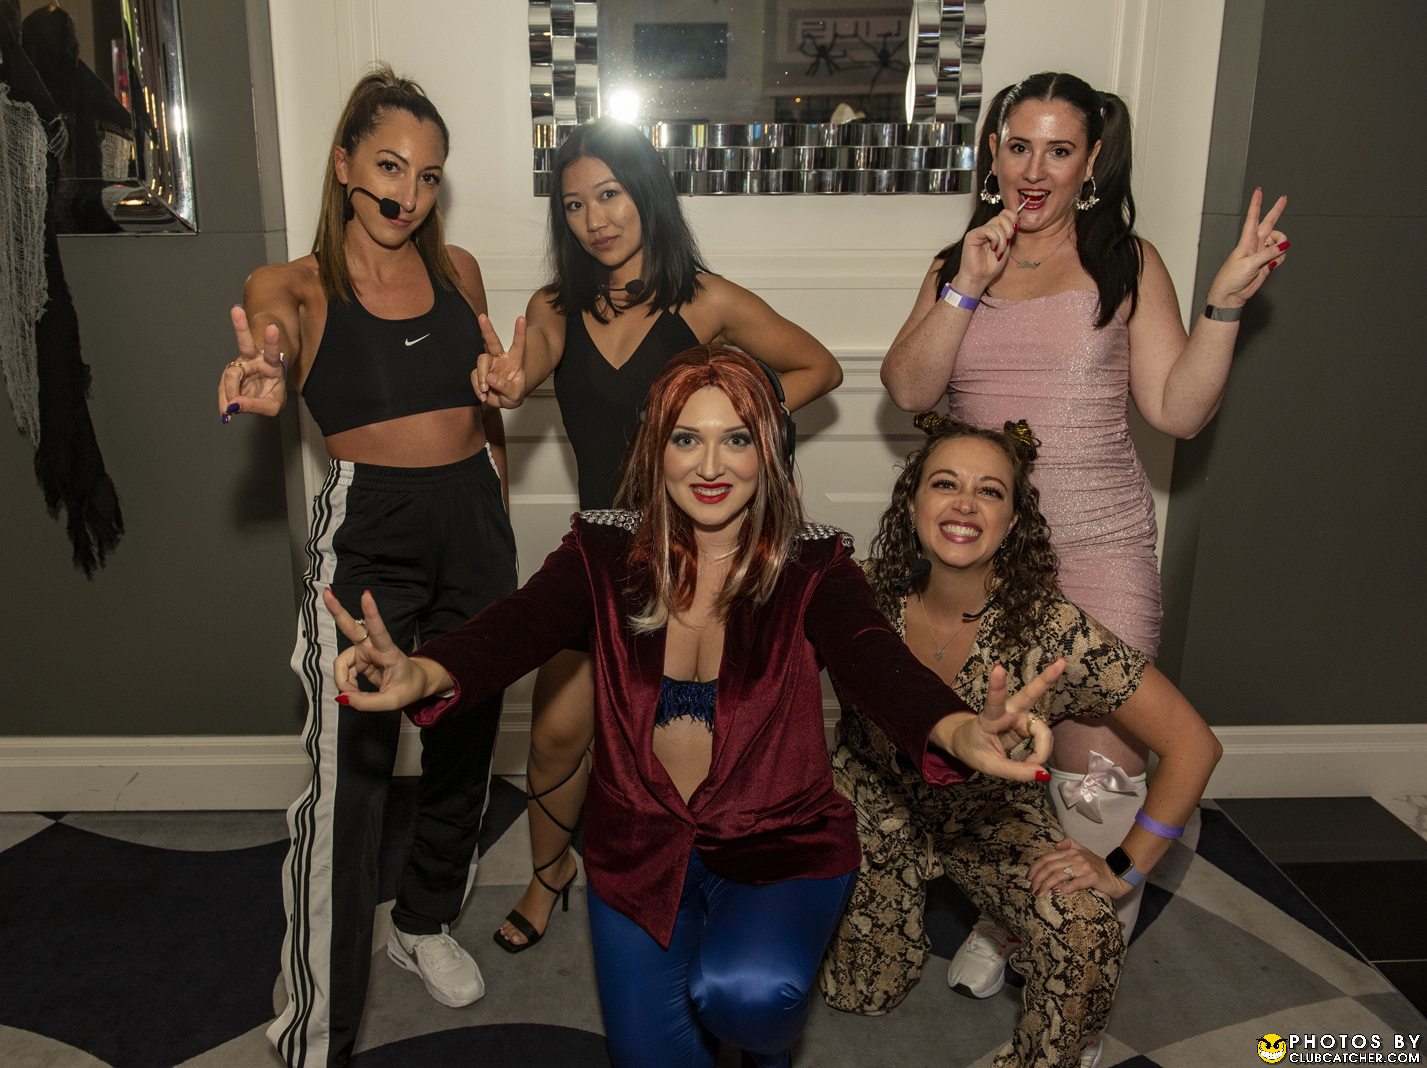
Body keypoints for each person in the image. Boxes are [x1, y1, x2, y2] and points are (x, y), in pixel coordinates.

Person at [326, 347, 1062, 1068]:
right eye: (687, 439)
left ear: (768, 450)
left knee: (747, 996)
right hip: (637, 849)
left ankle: (767, 1053)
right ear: (657, 449)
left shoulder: (814, 565)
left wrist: (954, 727)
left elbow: (873, 656)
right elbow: (518, 624)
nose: (711, 467)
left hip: (781, 845)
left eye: (735, 439)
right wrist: (427, 670)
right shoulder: (600, 551)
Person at [878, 70, 1284, 975]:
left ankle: (1076, 970)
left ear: (1091, 161)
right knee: (996, 740)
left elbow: (1178, 411)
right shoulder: (956, 264)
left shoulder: (1126, 263)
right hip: (982, 556)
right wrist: (966, 286)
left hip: (1101, 547)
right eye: (1019, 147)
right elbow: (909, 390)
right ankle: (1012, 911)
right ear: (992, 154)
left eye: (1059, 150)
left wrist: (1224, 306)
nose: (1035, 170)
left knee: (1095, 770)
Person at [468, 119, 842, 951]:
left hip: (697, 555)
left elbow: (821, 366)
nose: (595, 218)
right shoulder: (553, 307)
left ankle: (710, 877)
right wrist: (509, 381)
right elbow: (531, 364)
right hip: (604, 558)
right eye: (574, 205)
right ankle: (548, 876)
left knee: (695, 742)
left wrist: (742, 419)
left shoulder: (705, 300)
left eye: (610, 194)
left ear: (646, 192)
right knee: (557, 733)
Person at [217, 67, 516, 1068]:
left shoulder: (460, 268)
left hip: (473, 519)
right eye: (389, 166)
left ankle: (423, 920)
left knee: (466, 742)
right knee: (349, 786)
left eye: (427, 176)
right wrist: (260, 372)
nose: (407, 194)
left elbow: (486, 402)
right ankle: (316, 1037)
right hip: (371, 531)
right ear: (345, 163)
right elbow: (267, 340)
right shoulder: (294, 285)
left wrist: (496, 491)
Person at [821, 413, 1223, 1068]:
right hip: (873, 807)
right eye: (945, 483)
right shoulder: (855, 596)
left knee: (1086, 930)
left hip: (990, 819)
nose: (965, 504)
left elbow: (1194, 745)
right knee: (858, 994)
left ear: (1012, 523)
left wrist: (1122, 867)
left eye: (990, 491)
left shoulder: (1052, 628)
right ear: (912, 503)